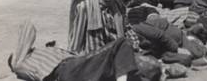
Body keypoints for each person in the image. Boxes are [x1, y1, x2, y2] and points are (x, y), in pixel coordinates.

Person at [8, 21, 139, 81]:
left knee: (116, 67)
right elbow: (27, 27)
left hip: (73, 68)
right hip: (68, 68)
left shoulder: (38, 55)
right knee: (121, 42)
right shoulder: (19, 63)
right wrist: (17, 52)